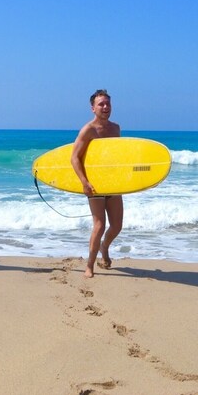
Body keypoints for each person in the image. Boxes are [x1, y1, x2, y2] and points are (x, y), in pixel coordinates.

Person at [71, 89, 122, 278]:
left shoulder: (116, 129)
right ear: (93, 108)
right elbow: (75, 158)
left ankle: (104, 247)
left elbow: (118, 157)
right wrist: (84, 182)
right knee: (99, 225)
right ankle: (90, 265)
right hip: (95, 184)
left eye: (108, 103)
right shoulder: (88, 130)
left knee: (117, 226)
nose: (106, 107)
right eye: (101, 104)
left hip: (113, 183)